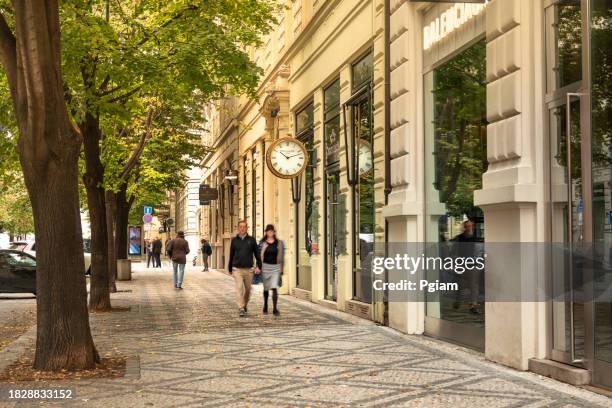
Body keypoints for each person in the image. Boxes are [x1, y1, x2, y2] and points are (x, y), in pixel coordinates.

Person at [228, 220, 260, 317]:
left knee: (248, 290)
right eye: (240, 226)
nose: (242, 228)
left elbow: (257, 254)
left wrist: (259, 266)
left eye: (244, 226)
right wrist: (230, 268)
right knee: (239, 288)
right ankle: (241, 307)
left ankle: (244, 304)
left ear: (247, 228)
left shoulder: (252, 240)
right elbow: (231, 255)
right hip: (237, 269)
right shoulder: (234, 240)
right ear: (238, 228)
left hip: (249, 269)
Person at [259, 224, 283, 316]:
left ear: (273, 232)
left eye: (271, 231)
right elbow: (260, 256)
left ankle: (275, 308)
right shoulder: (263, 242)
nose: (270, 233)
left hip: (275, 267)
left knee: (274, 288)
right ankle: (265, 305)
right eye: (268, 231)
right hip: (265, 267)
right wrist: (260, 266)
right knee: (266, 288)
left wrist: (280, 268)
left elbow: (280, 256)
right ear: (266, 232)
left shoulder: (278, 243)